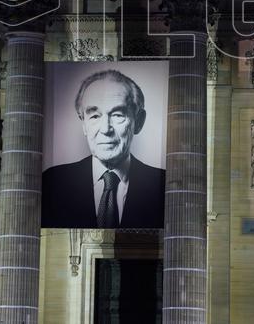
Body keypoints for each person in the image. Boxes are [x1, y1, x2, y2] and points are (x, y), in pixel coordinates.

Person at [41, 69, 165, 228]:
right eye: (94, 116)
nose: (105, 129)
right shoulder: (51, 182)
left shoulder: (163, 187)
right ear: (84, 125)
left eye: (118, 115)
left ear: (139, 121)